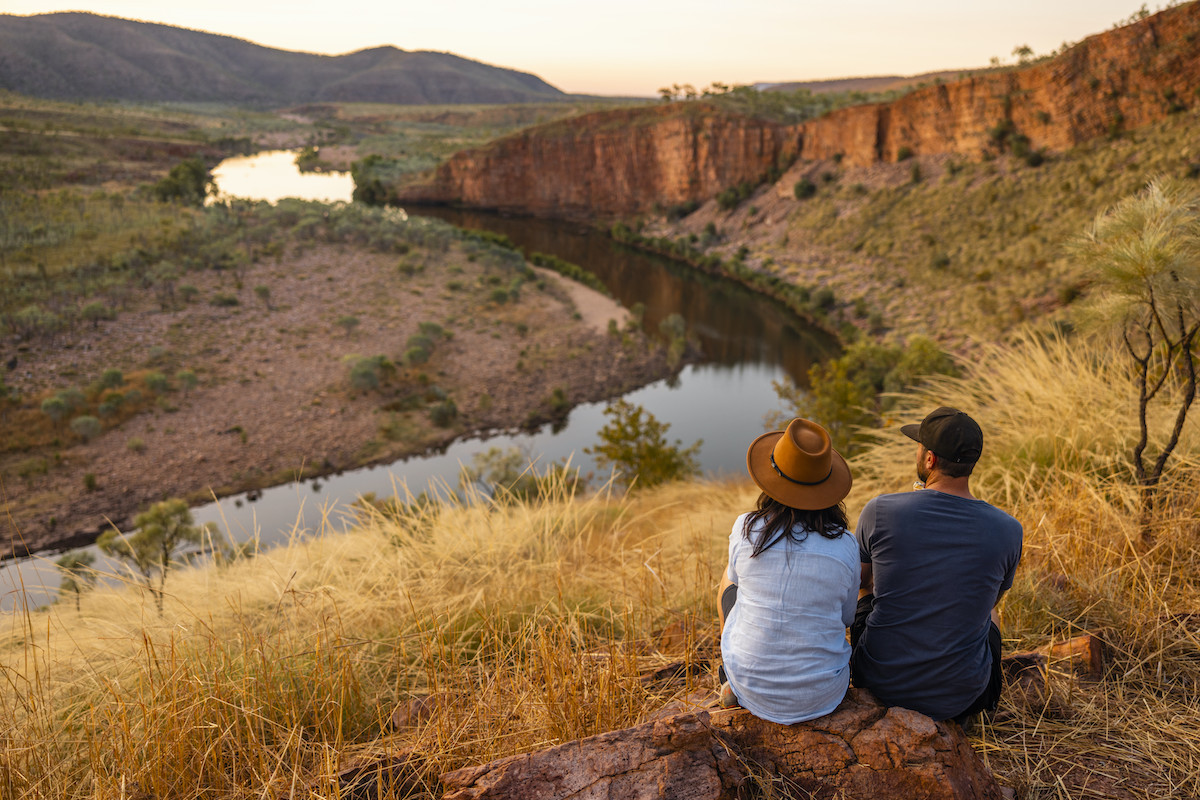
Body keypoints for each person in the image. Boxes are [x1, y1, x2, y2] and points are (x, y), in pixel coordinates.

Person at [851, 406, 1023, 724]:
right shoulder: (1009, 529)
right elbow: (990, 601)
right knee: (989, 610)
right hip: (962, 696)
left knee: (867, 582)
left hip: (879, 682)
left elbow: (855, 584)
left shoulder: (880, 510)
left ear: (929, 459)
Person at [717, 417, 859, 724]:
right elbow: (847, 618)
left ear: (771, 479)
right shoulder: (846, 544)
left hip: (750, 689)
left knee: (727, 581)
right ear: (827, 485)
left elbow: (737, 586)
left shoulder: (745, 528)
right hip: (824, 694)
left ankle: (728, 675)